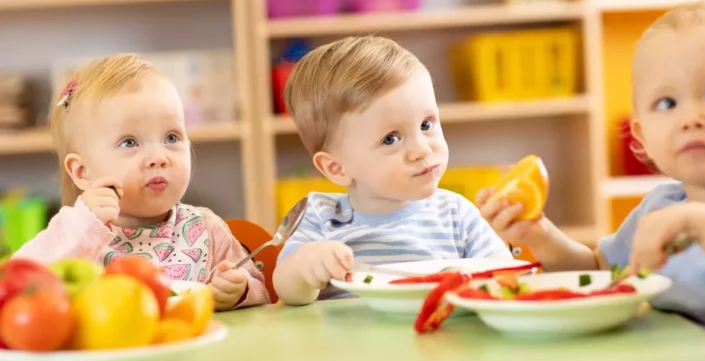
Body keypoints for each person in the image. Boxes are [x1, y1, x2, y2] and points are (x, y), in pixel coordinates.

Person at [478, 0, 705, 361]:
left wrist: (703, 223)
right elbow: (598, 272)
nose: (691, 118)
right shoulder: (661, 207)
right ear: (642, 136)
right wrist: (540, 236)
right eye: (667, 103)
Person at [13, 54, 270, 311]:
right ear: (82, 172)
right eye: (129, 142)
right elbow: (17, 283)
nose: (159, 158)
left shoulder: (207, 230)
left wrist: (240, 289)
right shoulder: (77, 235)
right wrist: (80, 226)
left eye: (171, 137)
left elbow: (261, 293)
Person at [272, 36, 513, 305]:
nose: (422, 149)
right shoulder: (320, 216)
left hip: (442, 340)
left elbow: (503, 271)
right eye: (391, 139)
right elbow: (287, 289)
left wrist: (477, 274)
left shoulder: (456, 213)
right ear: (337, 168)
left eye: (426, 124)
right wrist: (307, 265)